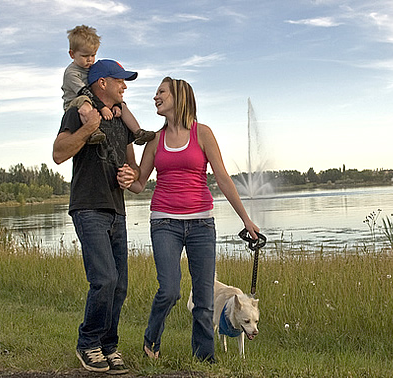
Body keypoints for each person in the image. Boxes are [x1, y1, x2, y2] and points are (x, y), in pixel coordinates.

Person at [127, 77, 260, 362]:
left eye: (161, 92)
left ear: (179, 96)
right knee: (170, 289)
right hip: (164, 222)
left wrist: (246, 220)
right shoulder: (155, 141)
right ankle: (152, 338)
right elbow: (139, 184)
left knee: (203, 297)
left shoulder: (203, 133)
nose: (155, 97)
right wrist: (127, 178)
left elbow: (223, 178)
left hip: (201, 223)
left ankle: (204, 357)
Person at [53, 59, 141, 374]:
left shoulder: (120, 120)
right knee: (104, 279)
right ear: (101, 82)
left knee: (119, 286)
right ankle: (88, 343)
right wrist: (89, 128)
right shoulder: (79, 112)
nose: (125, 86)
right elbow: (59, 153)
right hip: (88, 205)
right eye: (120, 80)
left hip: (116, 208)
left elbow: (135, 173)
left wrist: (131, 177)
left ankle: (108, 346)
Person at [62, 25, 154, 145]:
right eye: (85, 56)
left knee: (121, 105)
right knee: (85, 102)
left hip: (91, 100)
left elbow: (98, 92)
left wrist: (114, 105)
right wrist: (103, 107)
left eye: (93, 55)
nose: (90, 60)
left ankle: (138, 132)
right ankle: (93, 131)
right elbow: (85, 92)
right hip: (75, 101)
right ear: (72, 54)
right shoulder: (72, 73)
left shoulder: (90, 68)